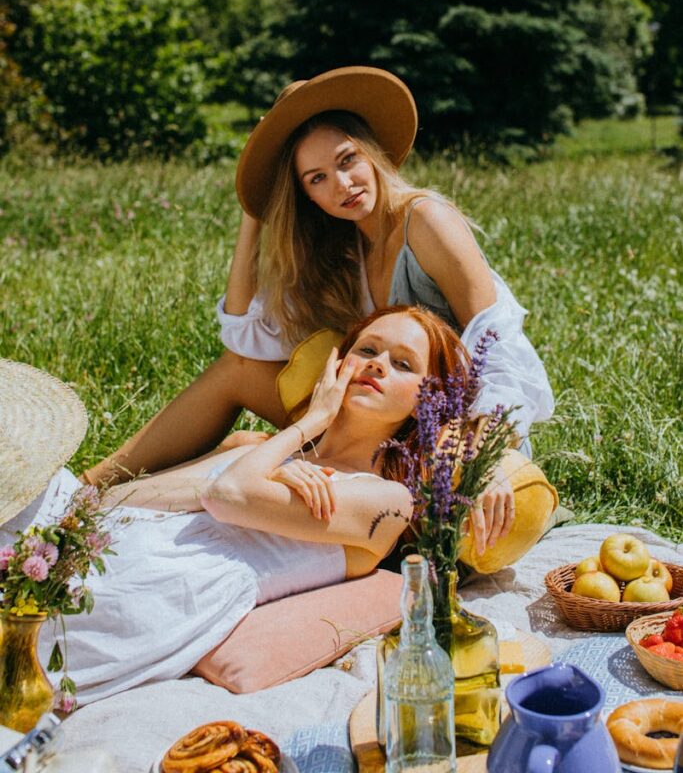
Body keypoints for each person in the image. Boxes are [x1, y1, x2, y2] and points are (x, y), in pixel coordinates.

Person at [83, 66, 554, 561]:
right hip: (374, 421)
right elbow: (244, 335)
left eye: (348, 160)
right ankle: (88, 489)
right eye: (318, 179)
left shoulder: (426, 220)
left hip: (459, 429)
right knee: (238, 379)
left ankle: (240, 497)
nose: (343, 185)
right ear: (306, 195)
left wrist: (492, 453)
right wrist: (255, 208)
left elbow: (498, 340)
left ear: (370, 152)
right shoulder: (346, 246)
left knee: (248, 447)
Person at [3, 308, 468, 704]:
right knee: (27, 479)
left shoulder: (386, 501)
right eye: (367, 350)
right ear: (338, 364)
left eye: (403, 363)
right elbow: (119, 498)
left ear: (426, 402)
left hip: (157, 591)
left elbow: (227, 496)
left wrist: (311, 423)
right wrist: (268, 461)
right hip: (104, 542)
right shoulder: (258, 448)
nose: (378, 364)